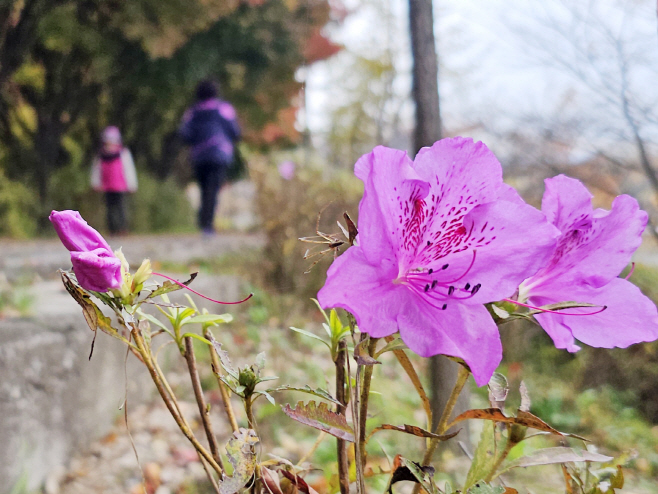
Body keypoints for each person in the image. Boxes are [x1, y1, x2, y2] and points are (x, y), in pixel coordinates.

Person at [179, 80, 241, 235]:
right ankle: (207, 224)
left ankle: (204, 221)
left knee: (204, 187)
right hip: (220, 154)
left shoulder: (192, 111)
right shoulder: (224, 109)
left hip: (199, 155)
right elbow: (235, 131)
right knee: (213, 188)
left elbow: (184, 133)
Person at [90, 126, 138, 235]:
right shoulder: (101, 155)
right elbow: (97, 170)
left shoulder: (123, 153)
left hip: (120, 186)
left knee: (121, 208)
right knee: (110, 209)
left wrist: (132, 185)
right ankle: (112, 229)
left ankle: (122, 228)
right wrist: (95, 183)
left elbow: (128, 169)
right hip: (107, 186)